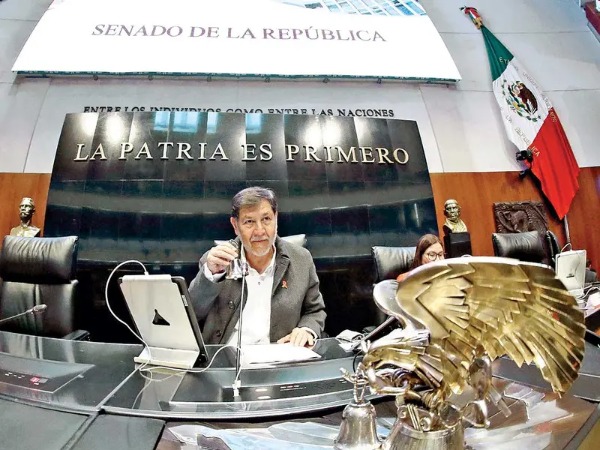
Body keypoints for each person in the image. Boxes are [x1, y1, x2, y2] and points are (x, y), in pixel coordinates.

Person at [188, 186, 326, 347]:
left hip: (279, 355)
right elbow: (192, 314)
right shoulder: (216, 262)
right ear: (235, 225)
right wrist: (211, 274)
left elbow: (315, 311)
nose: (259, 231)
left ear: (276, 218)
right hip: (226, 355)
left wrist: (306, 329)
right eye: (249, 222)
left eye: (266, 219)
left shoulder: (301, 259)